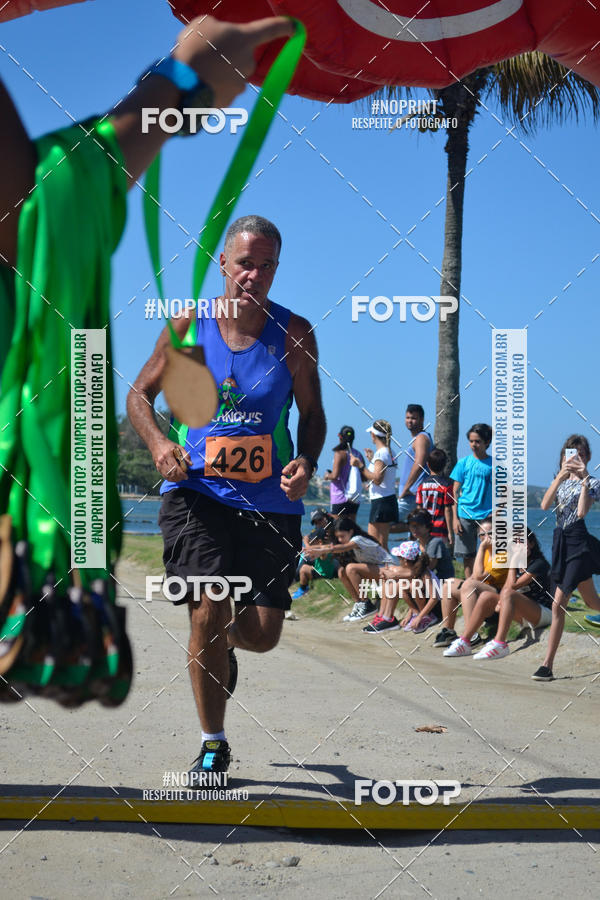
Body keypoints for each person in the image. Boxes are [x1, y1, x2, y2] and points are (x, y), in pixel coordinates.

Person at [128, 212, 326, 775]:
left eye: (266, 266)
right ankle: (213, 744)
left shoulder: (295, 333)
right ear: (223, 263)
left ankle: (227, 646)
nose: (253, 275)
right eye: (245, 263)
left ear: (276, 270)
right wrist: (160, 444)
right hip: (198, 493)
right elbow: (139, 396)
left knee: (263, 636)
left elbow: (313, 414)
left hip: (270, 502)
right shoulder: (189, 327)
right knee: (208, 606)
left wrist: (306, 461)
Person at [532, 435, 600, 681]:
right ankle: (547, 665)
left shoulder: (593, 483)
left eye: (580, 454)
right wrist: (560, 476)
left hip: (578, 543)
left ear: (587, 457)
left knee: (557, 603)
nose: (574, 458)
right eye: (570, 453)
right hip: (561, 542)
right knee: (592, 602)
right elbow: (544, 505)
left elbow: (581, 512)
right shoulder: (559, 480)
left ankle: (547, 665)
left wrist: (584, 480)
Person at [473, 530, 552, 660]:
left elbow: (513, 587)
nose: (519, 546)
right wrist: (500, 602)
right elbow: (506, 589)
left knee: (509, 594)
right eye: (515, 543)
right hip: (525, 614)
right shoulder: (517, 565)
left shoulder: (538, 563)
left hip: (544, 613)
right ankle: (465, 640)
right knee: (486, 596)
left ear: (531, 544)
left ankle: (500, 643)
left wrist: (513, 562)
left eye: (522, 542)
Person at [443, 518, 510, 656]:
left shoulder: (503, 553)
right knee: (449, 584)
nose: (486, 537)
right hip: (483, 593)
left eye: (490, 533)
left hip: (499, 599)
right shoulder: (486, 552)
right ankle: (448, 631)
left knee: (469, 584)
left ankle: (471, 636)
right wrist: (483, 550)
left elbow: (479, 577)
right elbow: (474, 576)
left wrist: (481, 548)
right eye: (482, 535)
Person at [306, 517, 393, 621]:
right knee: (342, 572)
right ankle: (359, 603)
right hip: (376, 570)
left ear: (351, 531)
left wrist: (322, 551)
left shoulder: (358, 539)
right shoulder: (349, 541)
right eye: (338, 537)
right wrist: (310, 548)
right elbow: (328, 546)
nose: (340, 540)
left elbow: (342, 548)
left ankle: (367, 604)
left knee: (351, 568)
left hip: (389, 570)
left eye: (342, 536)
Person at [364, 541, 437, 634]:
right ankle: (415, 614)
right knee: (401, 585)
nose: (398, 561)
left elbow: (434, 598)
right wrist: (410, 614)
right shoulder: (415, 569)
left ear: (405, 561)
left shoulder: (425, 574)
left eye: (399, 558)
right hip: (424, 602)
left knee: (413, 585)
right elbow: (415, 597)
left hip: (435, 605)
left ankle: (426, 617)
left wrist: (420, 617)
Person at [450, 423, 493, 579]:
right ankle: (469, 585)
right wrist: (455, 518)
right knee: (467, 556)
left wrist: (499, 511)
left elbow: (506, 491)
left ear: (487, 442)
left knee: (489, 552)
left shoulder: (495, 464)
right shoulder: (463, 463)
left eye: (478, 441)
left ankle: (487, 584)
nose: (474, 445)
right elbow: (454, 491)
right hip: (465, 514)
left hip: (487, 516)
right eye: (471, 441)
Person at [353, 420, 398, 549]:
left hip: (381, 502)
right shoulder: (390, 452)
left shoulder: (381, 453)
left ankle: (387, 565)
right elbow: (383, 475)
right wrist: (372, 460)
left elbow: (378, 479)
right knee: (381, 545)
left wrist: (360, 466)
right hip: (388, 499)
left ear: (373, 435)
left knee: (374, 545)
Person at [393, 405, 433, 532]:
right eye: (407, 417)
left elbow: (419, 464)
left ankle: (422, 527)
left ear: (422, 419)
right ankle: (419, 527)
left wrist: (406, 488)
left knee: (385, 523)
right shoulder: (417, 439)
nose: (410, 421)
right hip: (411, 494)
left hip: (412, 494)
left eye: (413, 418)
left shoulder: (421, 438)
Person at [324, 426, 365, 520]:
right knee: (351, 526)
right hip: (354, 498)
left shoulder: (339, 454)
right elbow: (363, 477)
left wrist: (327, 475)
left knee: (337, 526)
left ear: (340, 436)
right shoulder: (358, 454)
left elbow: (335, 475)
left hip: (339, 497)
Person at [415, 448, 454, 546]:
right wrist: (450, 532)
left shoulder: (421, 485)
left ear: (428, 464)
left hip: (425, 527)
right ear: (444, 465)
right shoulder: (446, 485)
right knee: (440, 552)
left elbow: (419, 508)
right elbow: (448, 509)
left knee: (425, 552)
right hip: (440, 527)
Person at [292, 527, 340, 599]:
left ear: (319, 541)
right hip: (324, 572)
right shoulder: (326, 547)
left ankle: (303, 589)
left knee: (304, 569)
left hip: (324, 575)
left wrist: (306, 543)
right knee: (306, 564)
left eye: (312, 540)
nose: (310, 542)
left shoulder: (323, 549)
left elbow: (308, 549)